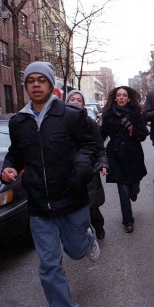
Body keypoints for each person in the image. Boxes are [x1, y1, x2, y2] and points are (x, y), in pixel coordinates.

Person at [1, 61, 100, 307]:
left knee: (76, 252)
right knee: (49, 265)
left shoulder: (71, 114)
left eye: (41, 80)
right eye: (31, 80)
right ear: (25, 86)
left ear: (50, 84)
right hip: (38, 206)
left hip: (71, 197)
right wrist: (8, 167)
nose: (36, 84)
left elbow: (88, 146)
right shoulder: (18, 122)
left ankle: (86, 240)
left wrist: (80, 169)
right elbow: (15, 153)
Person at [100, 86, 149, 233]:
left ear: (128, 98)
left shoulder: (135, 114)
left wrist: (132, 130)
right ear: (115, 98)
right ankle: (128, 220)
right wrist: (97, 151)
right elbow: (101, 135)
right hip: (115, 156)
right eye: (119, 95)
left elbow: (144, 134)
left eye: (124, 95)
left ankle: (134, 191)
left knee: (133, 187)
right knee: (123, 191)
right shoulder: (108, 115)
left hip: (134, 155)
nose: (121, 98)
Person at [66, 90, 108, 240]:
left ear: (83, 105)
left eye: (79, 100)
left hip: (88, 170)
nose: (76, 102)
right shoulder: (60, 124)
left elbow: (99, 147)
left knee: (92, 207)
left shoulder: (90, 123)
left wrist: (103, 163)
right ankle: (85, 235)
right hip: (69, 172)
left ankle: (99, 226)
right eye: (72, 99)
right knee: (76, 209)